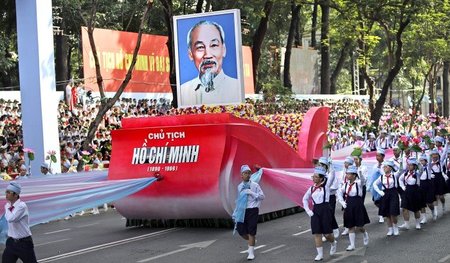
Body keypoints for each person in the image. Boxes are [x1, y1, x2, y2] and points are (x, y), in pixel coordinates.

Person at [179, 20, 240, 106]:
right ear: (190, 54)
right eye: (200, 47)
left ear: (224, 50)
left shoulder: (237, 88)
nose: (207, 55)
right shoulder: (183, 92)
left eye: (214, 45)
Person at [302, 166, 337, 261]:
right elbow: (304, 199)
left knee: (327, 234)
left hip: (325, 210)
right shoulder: (311, 188)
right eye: (313, 176)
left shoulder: (326, 186)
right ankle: (320, 255)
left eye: (315, 176)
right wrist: (308, 210)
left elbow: (332, 175)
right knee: (317, 233)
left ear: (321, 178)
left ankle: (333, 243)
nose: (313, 178)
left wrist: (331, 165)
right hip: (315, 211)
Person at [2, 182, 38, 263]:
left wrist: (7, 207)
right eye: (6, 192)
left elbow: (11, 218)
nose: (6, 194)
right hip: (11, 242)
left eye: (8, 192)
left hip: (24, 243)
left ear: (15, 195)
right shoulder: (8, 206)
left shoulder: (22, 206)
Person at [235, 165, 265, 260]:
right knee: (240, 230)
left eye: (249, 173)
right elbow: (239, 200)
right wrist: (236, 211)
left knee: (251, 230)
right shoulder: (239, 187)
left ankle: (251, 252)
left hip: (253, 210)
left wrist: (252, 193)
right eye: (245, 173)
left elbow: (262, 196)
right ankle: (252, 241)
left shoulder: (255, 185)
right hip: (242, 210)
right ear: (241, 175)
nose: (247, 175)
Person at [337, 165, 370, 251]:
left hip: (358, 205)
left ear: (354, 175)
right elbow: (339, 193)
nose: (347, 175)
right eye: (346, 174)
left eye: (349, 174)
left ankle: (365, 233)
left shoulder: (358, 183)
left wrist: (359, 171)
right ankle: (352, 245)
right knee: (350, 226)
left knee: (359, 226)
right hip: (349, 205)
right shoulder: (345, 185)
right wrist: (342, 202)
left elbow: (363, 180)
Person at [373, 160, 401, 236]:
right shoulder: (381, 177)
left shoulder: (395, 175)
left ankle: (395, 227)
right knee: (387, 213)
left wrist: (399, 162)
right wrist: (379, 191)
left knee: (393, 212)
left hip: (393, 194)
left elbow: (401, 169)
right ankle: (390, 229)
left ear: (391, 168)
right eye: (384, 166)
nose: (384, 168)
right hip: (385, 194)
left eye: (386, 166)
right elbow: (374, 184)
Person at [398, 158, 422, 230]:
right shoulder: (405, 173)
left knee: (416, 209)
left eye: (411, 165)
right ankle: (406, 224)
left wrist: (419, 163)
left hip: (415, 191)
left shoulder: (417, 173)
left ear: (414, 166)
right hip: (406, 191)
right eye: (408, 165)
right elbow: (400, 179)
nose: (409, 166)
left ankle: (417, 223)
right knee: (404, 207)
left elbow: (422, 169)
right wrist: (402, 187)